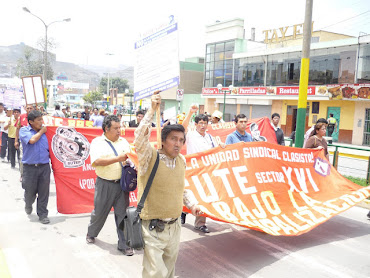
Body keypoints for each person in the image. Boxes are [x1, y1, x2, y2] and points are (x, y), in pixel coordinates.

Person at [134, 91, 201, 278]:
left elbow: (182, 188)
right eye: (173, 139)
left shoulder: (182, 161)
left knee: (169, 272)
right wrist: (151, 110)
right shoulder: (150, 157)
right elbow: (139, 139)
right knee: (155, 273)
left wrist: (193, 205)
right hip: (152, 227)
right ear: (163, 140)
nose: (178, 144)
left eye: (181, 140)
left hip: (175, 226)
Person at [86, 115, 134, 256]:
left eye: (120, 127)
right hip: (104, 184)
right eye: (116, 128)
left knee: (123, 215)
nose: (119, 130)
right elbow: (97, 161)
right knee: (99, 212)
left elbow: (129, 158)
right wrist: (118, 159)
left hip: (121, 185)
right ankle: (91, 233)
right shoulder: (97, 142)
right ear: (106, 128)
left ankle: (124, 244)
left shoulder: (124, 142)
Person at [181, 104, 224, 233]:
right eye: (200, 123)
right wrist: (190, 112)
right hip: (192, 171)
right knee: (191, 195)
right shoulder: (191, 135)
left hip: (206, 172)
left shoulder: (210, 137)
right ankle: (184, 210)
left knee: (203, 196)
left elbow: (216, 149)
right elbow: (183, 127)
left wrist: (221, 145)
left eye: (205, 123)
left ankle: (200, 223)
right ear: (196, 124)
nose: (203, 125)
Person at [19, 110, 51, 224]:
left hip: (44, 167)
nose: (41, 122)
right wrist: (42, 131)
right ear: (31, 122)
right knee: (29, 192)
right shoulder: (24, 131)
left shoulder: (47, 132)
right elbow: (32, 140)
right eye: (39, 120)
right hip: (30, 168)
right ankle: (28, 203)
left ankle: (42, 214)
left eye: (42, 119)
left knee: (44, 192)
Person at [15, 104, 34, 182]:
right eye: (28, 108)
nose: (29, 109)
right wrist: (16, 141)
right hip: (23, 143)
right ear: (25, 109)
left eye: (31, 108)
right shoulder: (21, 117)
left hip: (34, 141)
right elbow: (17, 129)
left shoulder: (36, 116)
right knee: (22, 158)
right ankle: (22, 174)